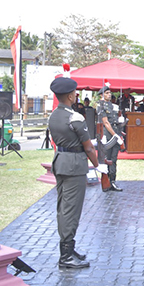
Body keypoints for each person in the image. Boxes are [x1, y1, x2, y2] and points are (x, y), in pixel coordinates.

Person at [48, 76, 103, 269]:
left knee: (63, 207)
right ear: (70, 96)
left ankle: (68, 249)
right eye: (74, 93)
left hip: (61, 162)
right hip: (74, 165)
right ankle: (65, 255)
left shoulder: (53, 116)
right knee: (71, 210)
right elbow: (88, 147)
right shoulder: (75, 118)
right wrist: (98, 165)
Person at [97, 85, 124, 192]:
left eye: (110, 93)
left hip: (115, 132)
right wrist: (115, 135)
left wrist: (120, 122)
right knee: (107, 159)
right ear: (102, 95)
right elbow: (106, 123)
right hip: (108, 134)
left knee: (114, 159)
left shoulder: (112, 105)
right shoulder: (101, 105)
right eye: (107, 93)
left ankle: (112, 181)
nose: (109, 95)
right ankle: (107, 182)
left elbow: (114, 121)